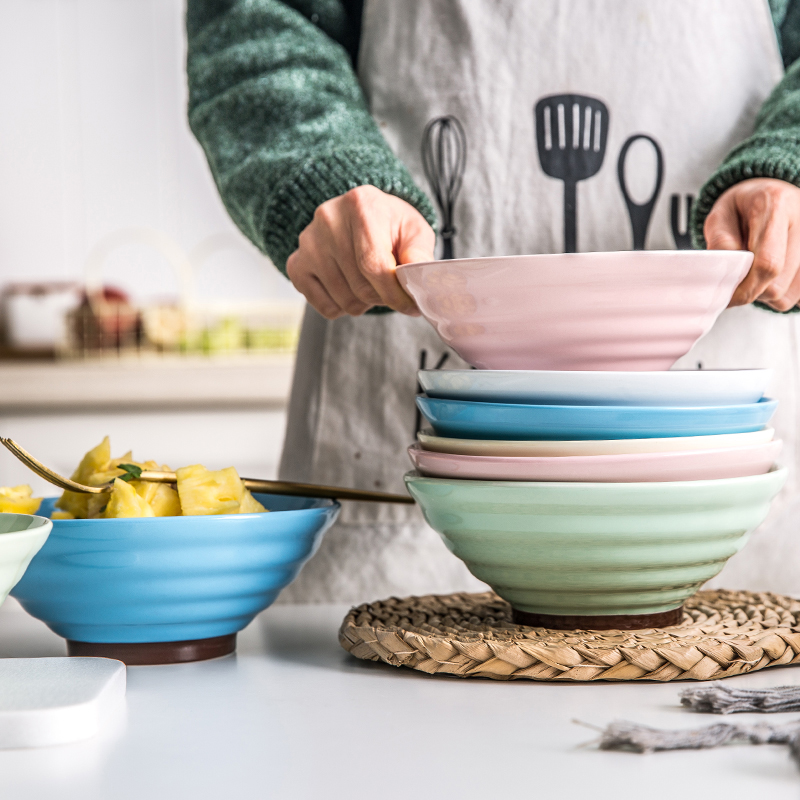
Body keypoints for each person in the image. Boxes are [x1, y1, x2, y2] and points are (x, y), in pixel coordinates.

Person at [187, 0, 800, 601]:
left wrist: (790, 164)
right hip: (398, 528)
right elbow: (258, 21)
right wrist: (324, 172)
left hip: (724, 513)